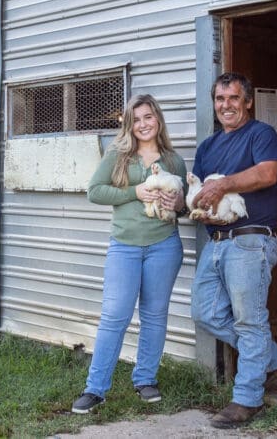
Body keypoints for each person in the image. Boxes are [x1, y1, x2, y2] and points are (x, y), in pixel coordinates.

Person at [71, 94, 187, 414]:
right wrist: (134, 192)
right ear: (129, 124)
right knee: (115, 315)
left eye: (148, 117)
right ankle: (95, 389)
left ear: (158, 119)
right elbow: (94, 191)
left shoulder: (174, 160)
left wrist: (178, 204)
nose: (143, 124)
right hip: (125, 246)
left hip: (164, 245)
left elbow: (185, 205)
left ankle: (145, 379)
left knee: (154, 315)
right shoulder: (119, 155)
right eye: (136, 119)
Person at [188, 72, 277, 429]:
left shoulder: (261, 134)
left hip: (250, 240)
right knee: (205, 313)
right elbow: (199, 191)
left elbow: (267, 174)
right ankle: (270, 358)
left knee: (249, 321)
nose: (226, 105)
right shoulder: (207, 147)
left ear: (247, 102)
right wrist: (196, 206)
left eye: (233, 98)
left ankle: (247, 399)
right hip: (216, 241)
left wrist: (224, 185)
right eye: (220, 99)